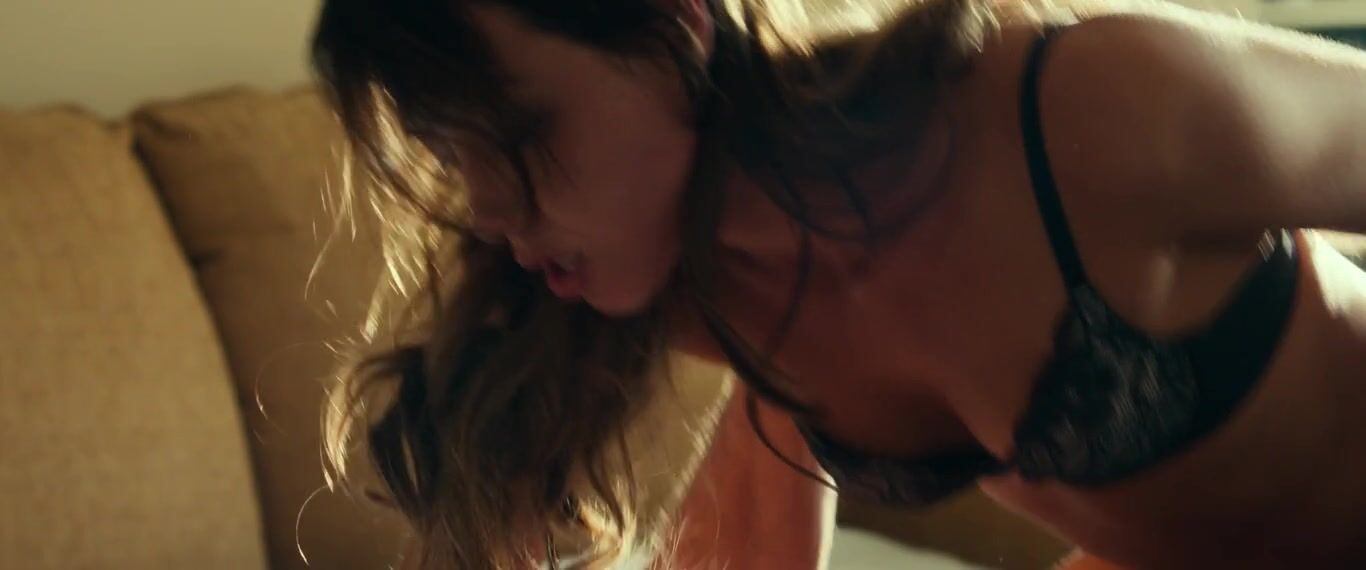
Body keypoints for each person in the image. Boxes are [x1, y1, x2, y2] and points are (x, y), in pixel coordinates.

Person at [309, 0, 1366, 567]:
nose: (489, 210)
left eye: (521, 133)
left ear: (676, 24)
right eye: (454, 155)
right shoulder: (706, 288)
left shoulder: (1089, 113)